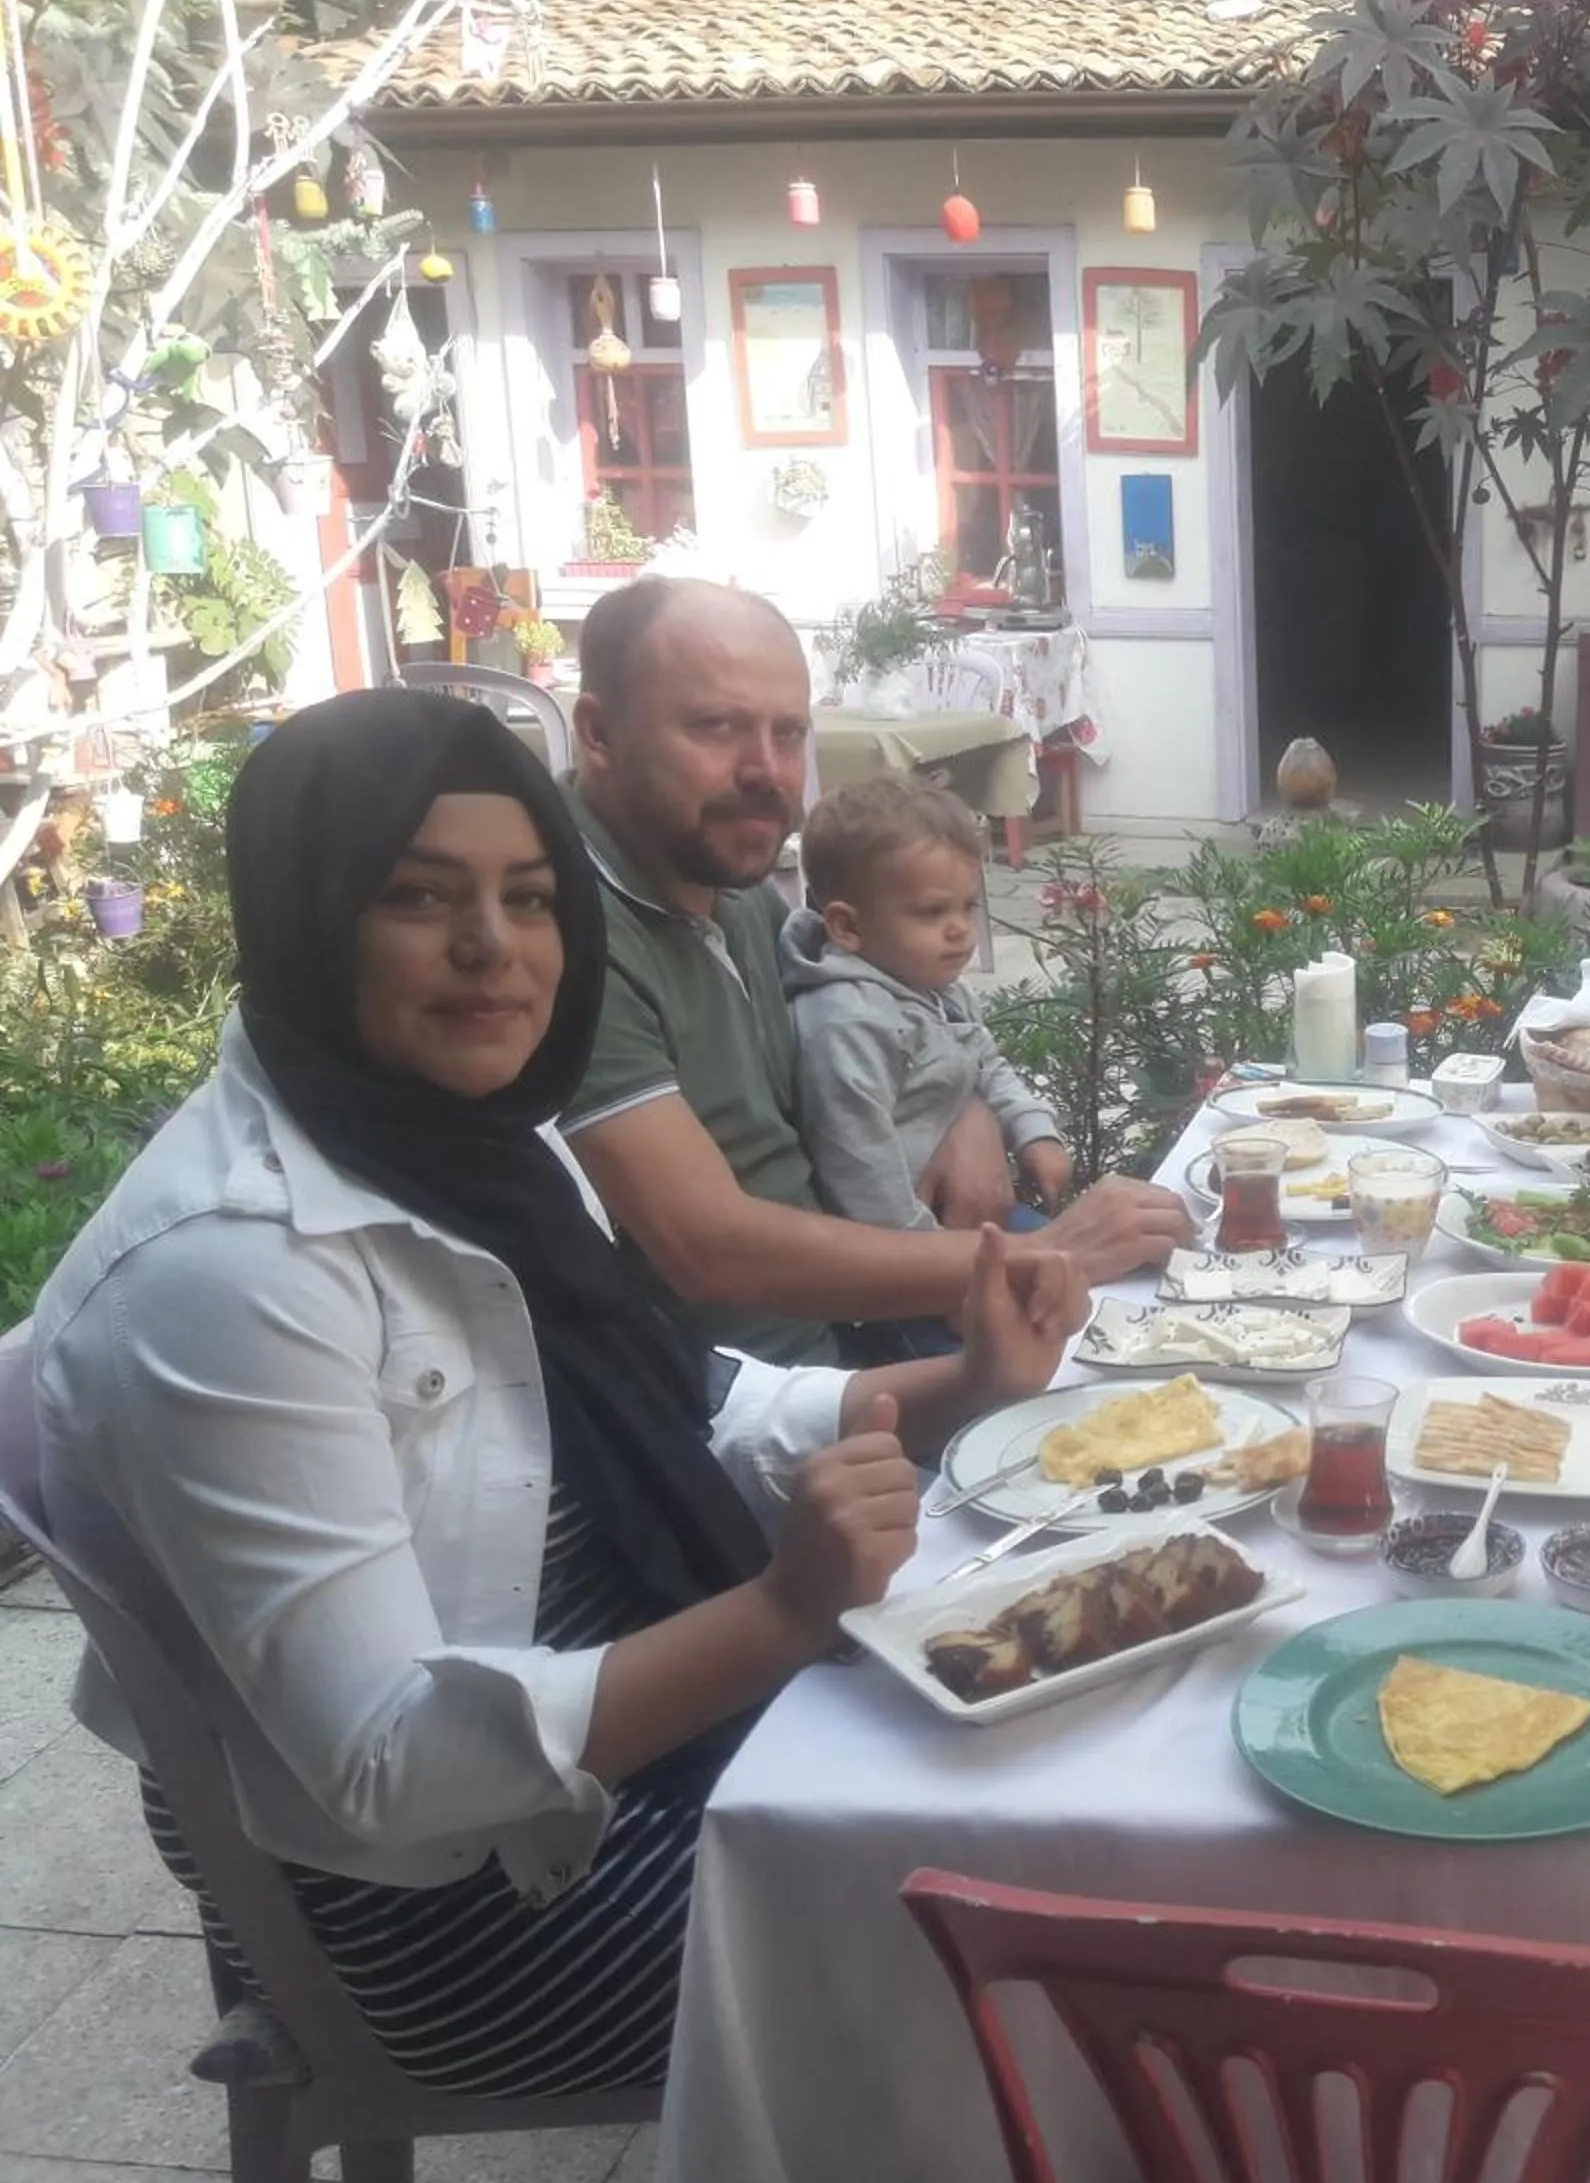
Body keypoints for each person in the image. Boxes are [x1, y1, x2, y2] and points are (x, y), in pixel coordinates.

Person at [30, 690, 1088, 2096]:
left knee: (1066, 1754)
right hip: (457, 1908)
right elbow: (391, 1762)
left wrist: (961, 1383)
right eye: (416, 896)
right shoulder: (233, 1273)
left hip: (607, 1763)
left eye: (530, 898)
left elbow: (685, 1394)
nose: (493, 947)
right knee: (1039, 1968)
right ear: (305, 912)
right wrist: (782, 1609)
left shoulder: (466, 1144)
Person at [556, 577, 1187, 1364]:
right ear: (600, 733)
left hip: (872, 1332)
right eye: (716, 727)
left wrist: (967, 1111)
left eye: (789, 735)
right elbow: (709, 1249)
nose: (765, 770)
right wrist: (1048, 1251)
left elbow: (880, 1007)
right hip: (766, 1402)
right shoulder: (558, 930)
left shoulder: (728, 885)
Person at [782, 777, 1072, 1229]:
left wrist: (1034, 1131)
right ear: (847, 926)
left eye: (967, 907)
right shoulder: (849, 1025)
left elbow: (987, 1063)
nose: (959, 929)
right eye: (932, 912)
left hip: (966, 1215)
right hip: (912, 1249)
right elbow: (862, 1175)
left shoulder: (933, 987)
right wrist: (935, 1259)